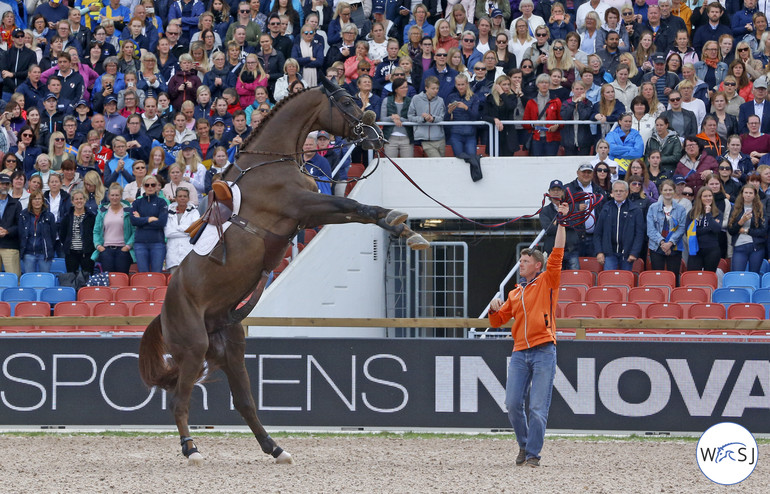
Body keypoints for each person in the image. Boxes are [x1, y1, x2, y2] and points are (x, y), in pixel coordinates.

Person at [488, 199, 569, 469]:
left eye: (525, 261)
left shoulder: (547, 280)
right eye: (520, 260)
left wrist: (563, 221)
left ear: (537, 265)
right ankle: (525, 445)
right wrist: (493, 307)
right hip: (521, 351)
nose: (520, 264)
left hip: (545, 348)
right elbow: (498, 321)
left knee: (537, 407)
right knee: (512, 404)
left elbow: (558, 251)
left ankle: (532, 454)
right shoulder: (515, 292)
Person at [594, 180, 645, 270]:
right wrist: (599, 252)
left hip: (627, 254)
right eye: (616, 191)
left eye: (621, 191)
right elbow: (598, 232)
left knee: (625, 280)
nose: (618, 193)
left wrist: (634, 252)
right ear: (612, 193)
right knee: (609, 280)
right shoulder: (606, 208)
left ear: (627, 192)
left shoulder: (635, 210)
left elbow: (639, 234)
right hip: (609, 253)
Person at [647, 179, 687, 280]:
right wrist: (662, 243)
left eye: (670, 190)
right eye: (665, 190)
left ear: (674, 191)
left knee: (673, 277)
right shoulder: (653, 208)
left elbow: (681, 228)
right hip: (656, 247)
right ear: (661, 191)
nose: (668, 192)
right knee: (658, 278)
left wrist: (669, 243)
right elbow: (650, 229)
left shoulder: (681, 209)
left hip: (674, 247)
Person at [445, 74, 482, 181]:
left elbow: (476, 116)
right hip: (456, 134)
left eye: (462, 84)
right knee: (459, 159)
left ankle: (474, 179)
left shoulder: (474, 97)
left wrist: (466, 107)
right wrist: (449, 112)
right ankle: (460, 182)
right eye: (458, 84)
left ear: (467, 84)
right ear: (455, 85)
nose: (460, 87)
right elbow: (446, 118)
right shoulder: (451, 97)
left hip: (470, 134)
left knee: (472, 158)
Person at [130, 175, 168, 273]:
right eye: (147, 185)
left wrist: (141, 220)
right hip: (140, 243)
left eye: (153, 184)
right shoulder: (137, 202)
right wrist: (149, 219)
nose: (150, 187)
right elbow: (133, 221)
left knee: (156, 274)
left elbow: (162, 222)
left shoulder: (162, 202)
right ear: (143, 186)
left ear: (156, 186)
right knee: (143, 275)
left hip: (157, 243)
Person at [539, 180, 579, 269]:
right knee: (553, 278)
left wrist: (557, 222)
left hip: (571, 250)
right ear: (549, 192)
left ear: (563, 192)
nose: (556, 192)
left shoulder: (572, 207)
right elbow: (549, 229)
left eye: (558, 190)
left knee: (574, 279)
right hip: (553, 251)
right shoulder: (544, 210)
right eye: (553, 190)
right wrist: (565, 222)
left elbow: (576, 224)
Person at [727, 185, 768, 272]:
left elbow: (763, 231)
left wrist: (746, 231)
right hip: (739, 246)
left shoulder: (761, 209)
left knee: (754, 274)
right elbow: (731, 230)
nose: (748, 195)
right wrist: (741, 222)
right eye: (746, 192)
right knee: (737, 274)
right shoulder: (735, 208)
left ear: (754, 195)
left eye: (750, 193)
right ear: (742, 194)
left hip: (756, 247)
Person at [59, 189, 95, 276]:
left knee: (87, 278)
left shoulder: (91, 216)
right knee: (72, 278)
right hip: (71, 253)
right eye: (76, 199)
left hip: (87, 253)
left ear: (85, 200)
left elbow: (95, 233)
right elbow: (62, 234)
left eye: (81, 198)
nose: (79, 201)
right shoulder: (67, 216)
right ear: (72, 201)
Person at [19, 190, 57, 273]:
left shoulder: (49, 216)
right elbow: (21, 233)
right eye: (34, 199)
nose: (37, 201)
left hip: (44, 253)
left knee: (44, 279)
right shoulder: (23, 215)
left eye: (39, 199)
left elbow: (53, 235)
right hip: (28, 253)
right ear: (30, 201)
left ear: (43, 201)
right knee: (29, 279)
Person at [408, 76, 445, 158]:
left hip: (440, 138)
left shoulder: (440, 100)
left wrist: (433, 118)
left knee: (441, 164)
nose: (436, 91)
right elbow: (410, 116)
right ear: (426, 88)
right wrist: (422, 119)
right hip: (425, 139)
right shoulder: (416, 99)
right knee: (438, 161)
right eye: (433, 88)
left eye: (437, 88)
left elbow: (442, 117)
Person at [524, 74, 561, 156]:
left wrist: (557, 126)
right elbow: (525, 122)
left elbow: (561, 120)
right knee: (537, 164)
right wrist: (533, 124)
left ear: (550, 84)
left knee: (551, 163)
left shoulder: (556, 101)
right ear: (537, 85)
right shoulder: (531, 101)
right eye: (541, 82)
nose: (544, 85)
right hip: (536, 137)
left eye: (546, 82)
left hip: (552, 137)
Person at [163, 187, 199, 273]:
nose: (182, 198)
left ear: (188, 198)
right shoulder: (168, 212)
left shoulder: (194, 212)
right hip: (173, 254)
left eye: (185, 196)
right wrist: (187, 230)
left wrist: (177, 228)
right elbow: (168, 233)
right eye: (180, 196)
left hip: (188, 252)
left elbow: (194, 231)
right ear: (175, 198)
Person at [0, 173, 22, 276]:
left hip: (10, 245)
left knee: (14, 279)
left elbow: (20, 226)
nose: (4, 186)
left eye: (7, 184)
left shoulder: (16, 204)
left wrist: (8, 231)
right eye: (2, 184)